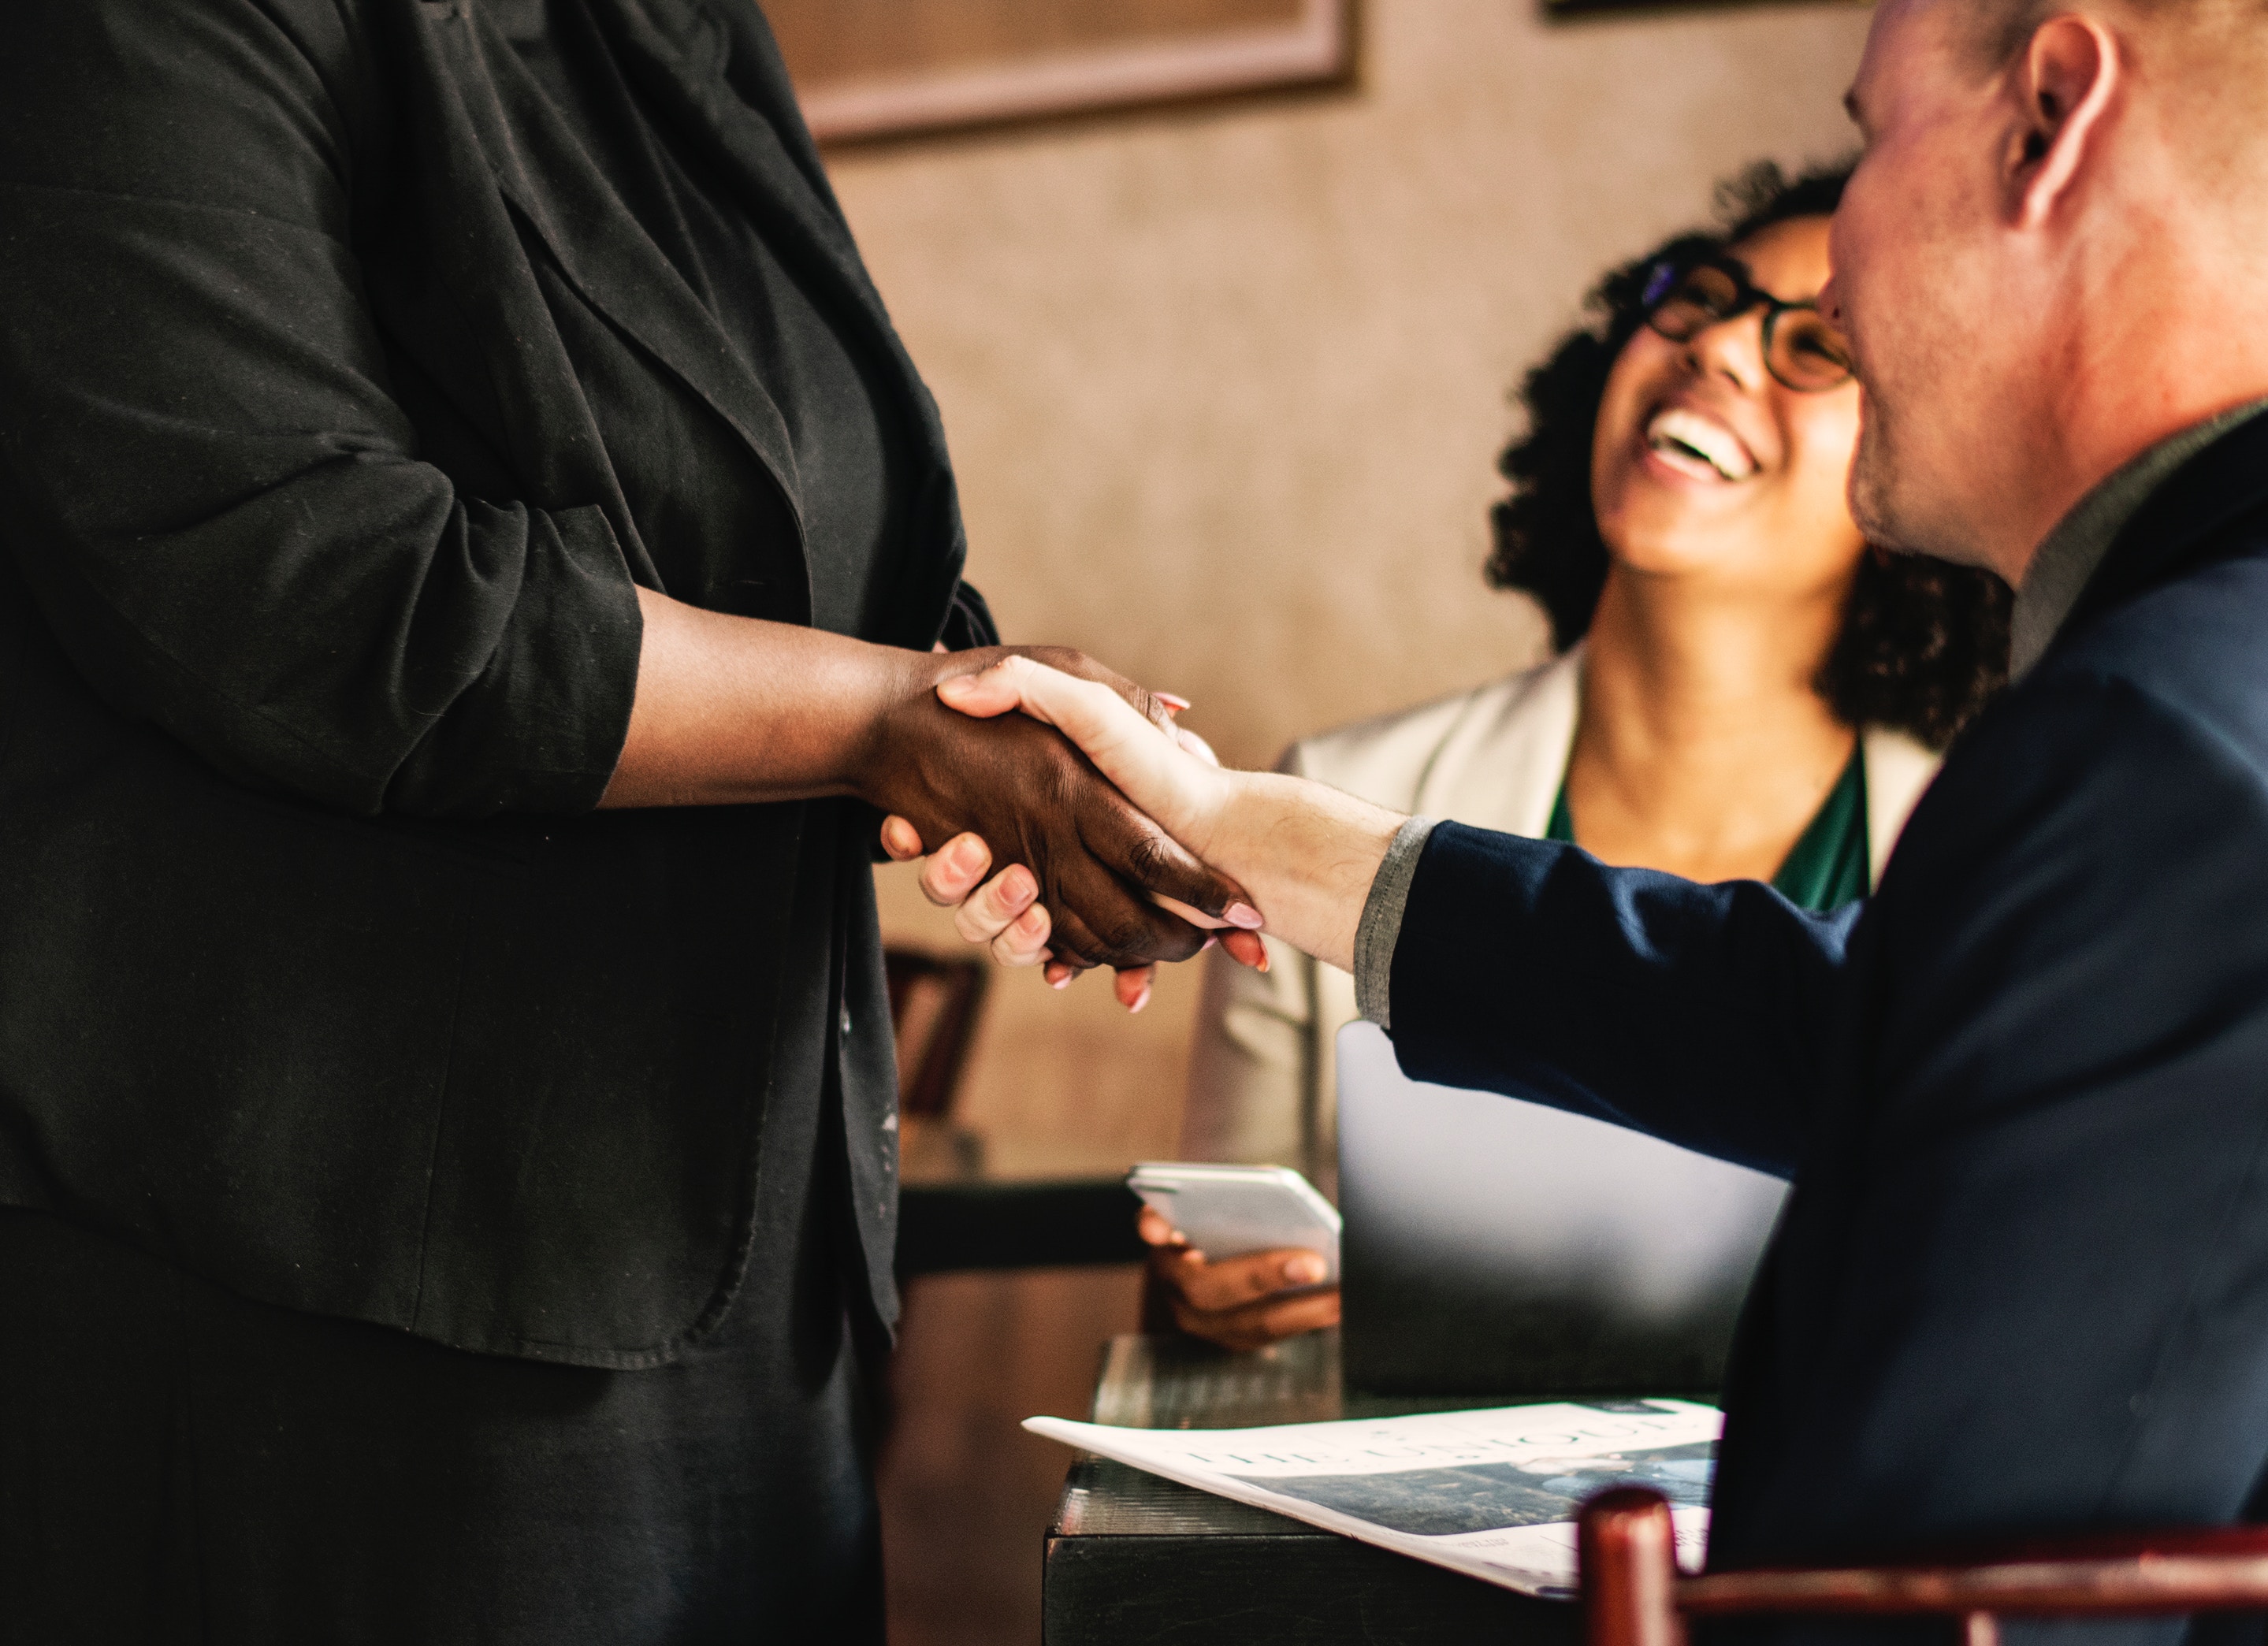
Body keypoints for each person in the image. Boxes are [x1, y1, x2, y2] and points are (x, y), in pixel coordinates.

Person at [916, 0, 2268, 1589]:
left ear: (2048, 117)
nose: (1826, 268)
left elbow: (1914, 1590)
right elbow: (1844, 1024)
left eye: (1872, 134)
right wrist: (1228, 826)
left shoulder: (2155, 740)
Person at [0, 1, 1249, 1639]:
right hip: (347, 1291)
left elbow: (783, 518)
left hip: (733, 1253)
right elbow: (307, 586)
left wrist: (1002, 715)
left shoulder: (667, 22)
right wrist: (893, 724)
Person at [1158, 164, 2010, 1351]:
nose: (1713, 350)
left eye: (1817, 345)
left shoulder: (1997, 840)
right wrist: (1223, 1303)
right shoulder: (1320, 796)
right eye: (1698, 298)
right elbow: (1221, 1262)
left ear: (1919, 454)